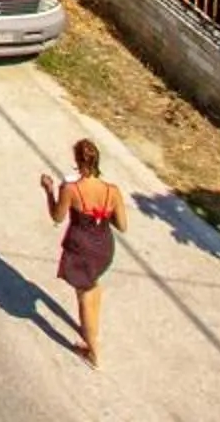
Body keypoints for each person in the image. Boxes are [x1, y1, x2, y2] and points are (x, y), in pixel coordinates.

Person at [43, 137, 127, 366]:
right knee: (94, 288)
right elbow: (122, 225)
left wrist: (49, 191)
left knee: (84, 299)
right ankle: (92, 330)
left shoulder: (71, 189)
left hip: (81, 251)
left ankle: (93, 351)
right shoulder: (113, 191)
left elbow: (57, 217)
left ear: (78, 163)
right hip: (104, 249)